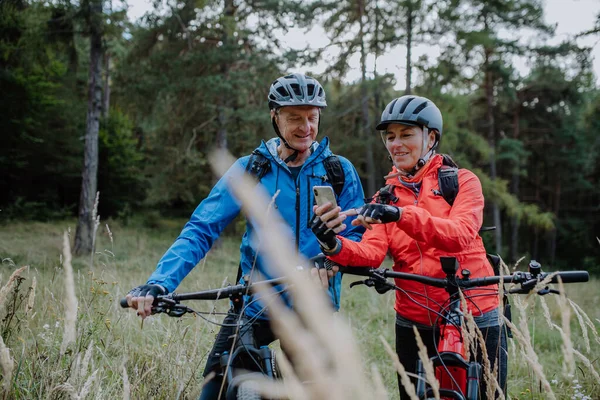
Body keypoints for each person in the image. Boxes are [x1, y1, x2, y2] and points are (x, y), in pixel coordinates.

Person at [125, 73, 365, 399]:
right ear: (274, 117)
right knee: (214, 387)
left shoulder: (339, 171)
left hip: (315, 307)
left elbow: (360, 236)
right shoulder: (251, 169)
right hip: (254, 302)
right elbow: (201, 228)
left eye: (312, 117)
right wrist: (160, 282)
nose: (306, 127)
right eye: (294, 118)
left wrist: (334, 254)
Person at [311, 95, 507, 399]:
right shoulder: (385, 196)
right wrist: (332, 243)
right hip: (415, 318)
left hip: (476, 311)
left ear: (431, 137)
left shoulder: (461, 182)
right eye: (390, 136)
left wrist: (401, 215)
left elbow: (459, 234)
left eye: (406, 134)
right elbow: (371, 253)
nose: (396, 143)